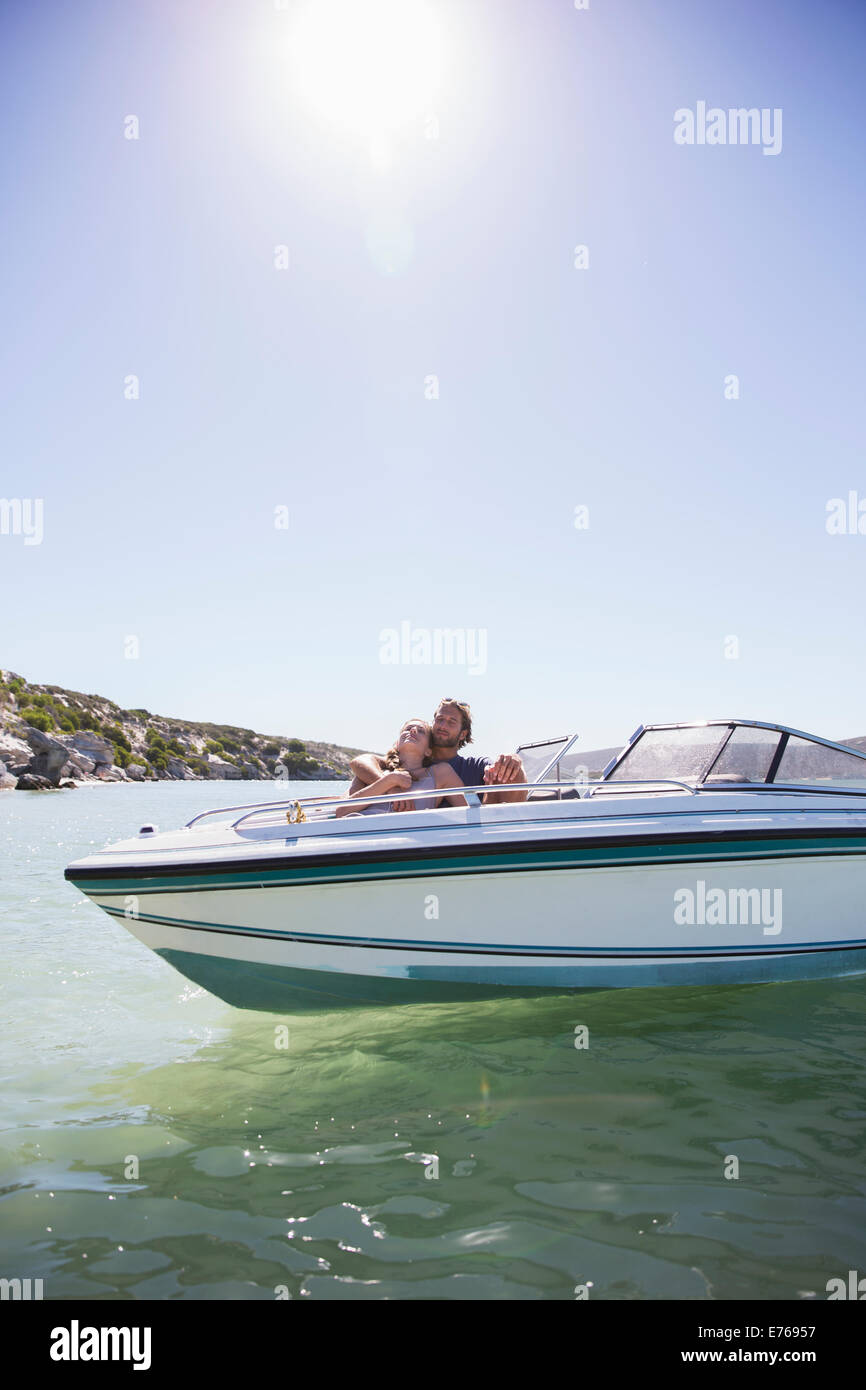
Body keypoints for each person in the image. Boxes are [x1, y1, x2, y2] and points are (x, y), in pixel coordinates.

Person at [348, 699, 527, 806]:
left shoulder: (475, 766)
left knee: (510, 772)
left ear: (463, 734)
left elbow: (502, 772)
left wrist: (513, 760)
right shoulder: (413, 760)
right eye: (439, 720)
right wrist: (391, 788)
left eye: (451, 722)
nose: (442, 725)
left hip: (464, 840)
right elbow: (360, 762)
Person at [336, 717, 466, 817]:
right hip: (361, 835)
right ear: (397, 744)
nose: (413, 730)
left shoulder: (440, 773)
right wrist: (389, 782)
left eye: (421, 731)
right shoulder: (375, 771)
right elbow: (342, 811)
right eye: (408, 729)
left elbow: (469, 809)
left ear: (428, 751)